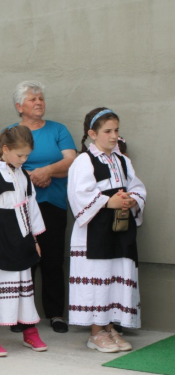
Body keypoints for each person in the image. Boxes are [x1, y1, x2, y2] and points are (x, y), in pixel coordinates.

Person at [0, 80, 77, 333]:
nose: (39, 102)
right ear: (19, 106)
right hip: (18, 208)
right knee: (23, 261)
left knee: (52, 260)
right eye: (32, 99)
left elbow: (72, 161)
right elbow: (1, 166)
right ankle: (21, 315)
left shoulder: (57, 129)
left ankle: (55, 314)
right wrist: (32, 177)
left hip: (52, 204)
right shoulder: (10, 131)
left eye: (40, 98)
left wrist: (47, 170)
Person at [68, 108, 146, 353]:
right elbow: (79, 194)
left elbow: (137, 186)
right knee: (98, 278)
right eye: (107, 131)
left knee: (114, 277)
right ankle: (95, 332)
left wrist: (132, 199)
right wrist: (108, 201)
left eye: (116, 130)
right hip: (95, 232)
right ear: (92, 134)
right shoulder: (84, 161)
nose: (114, 136)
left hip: (120, 228)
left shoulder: (122, 159)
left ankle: (109, 326)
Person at [0, 126, 48, 356]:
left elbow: (31, 206)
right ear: (5, 149)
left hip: (22, 236)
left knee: (22, 285)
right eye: (20, 155)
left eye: (27, 156)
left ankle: (29, 331)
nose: (24, 159)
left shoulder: (23, 174)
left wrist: (34, 237)